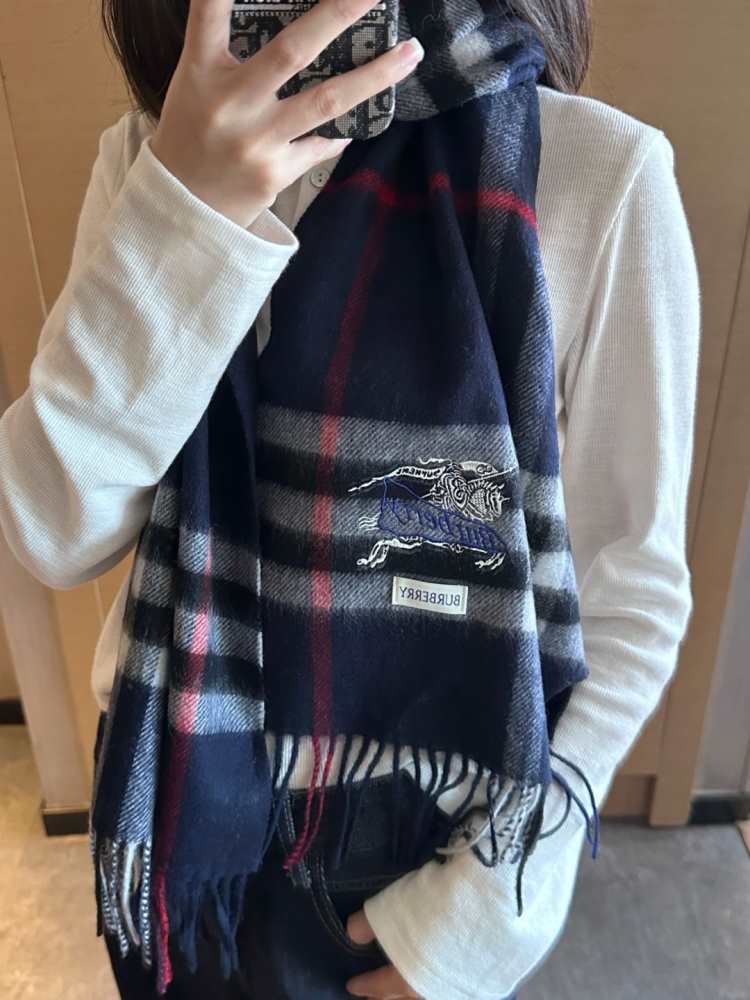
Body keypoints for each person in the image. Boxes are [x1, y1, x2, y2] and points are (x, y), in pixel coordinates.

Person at [0, 0, 701, 997]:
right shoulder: (157, 152)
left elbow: (633, 589)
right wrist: (187, 213)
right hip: (174, 777)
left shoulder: (599, 170)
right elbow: (54, 529)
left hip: (423, 826)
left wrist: (493, 906)